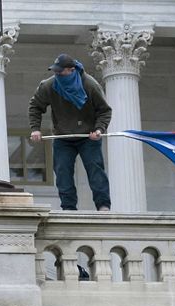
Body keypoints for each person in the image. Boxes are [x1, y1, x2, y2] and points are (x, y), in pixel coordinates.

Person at [28, 54, 113, 212]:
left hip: (88, 137)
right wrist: (35, 129)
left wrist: (99, 129)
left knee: (95, 169)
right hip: (63, 137)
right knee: (62, 171)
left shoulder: (89, 85)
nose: (57, 74)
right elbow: (35, 106)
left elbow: (104, 111)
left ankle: (103, 206)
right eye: (55, 72)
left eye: (61, 72)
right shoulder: (49, 85)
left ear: (72, 70)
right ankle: (68, 208)